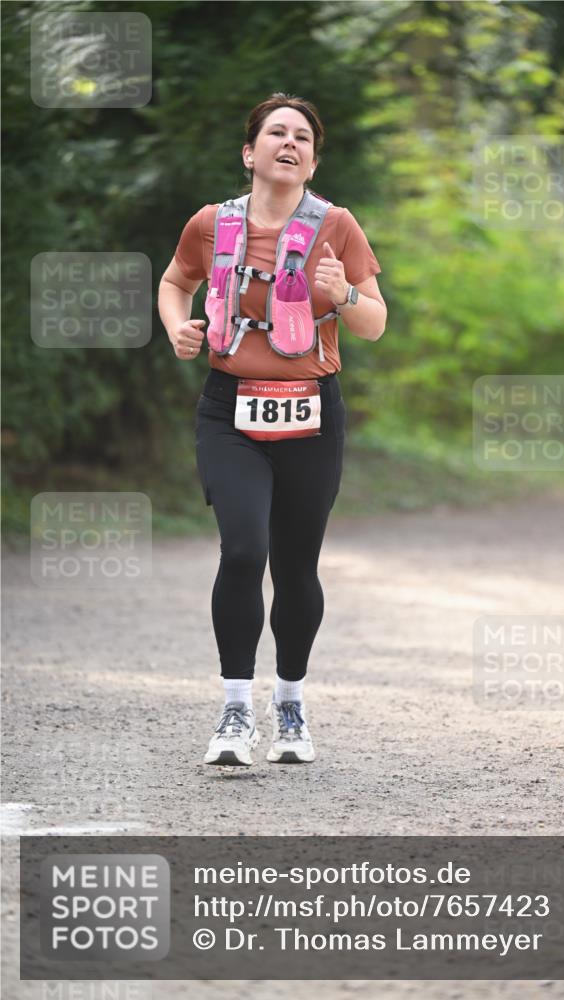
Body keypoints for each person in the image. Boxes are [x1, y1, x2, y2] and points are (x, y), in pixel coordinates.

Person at [158, 93, 386, 766]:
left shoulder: (336, 226)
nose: (289, 144)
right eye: (276, 133)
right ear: (249, 152)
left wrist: (342, 292)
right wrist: (179, 327)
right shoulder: (211, 223)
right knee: (242, 550)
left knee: (294, 567)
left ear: (312, 161)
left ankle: (289, 703)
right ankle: (235, 710)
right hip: (229, 410)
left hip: (312, 413)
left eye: (302, 139)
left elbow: (374, 321)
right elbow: (175, 282)